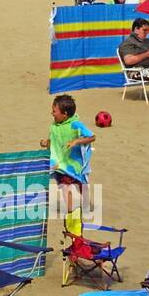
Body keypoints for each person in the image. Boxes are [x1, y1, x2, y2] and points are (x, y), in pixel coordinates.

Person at [38, 94, 94, 231]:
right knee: (65, 186)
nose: (52, 113)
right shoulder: (54, 126)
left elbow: (92, 137)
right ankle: (72, 211)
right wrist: (47, 143)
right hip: (58, 163)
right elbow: (55, 142)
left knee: (76, 185)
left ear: (65, 114)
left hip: (72, 164)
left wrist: (76, 141)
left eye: (54, 111)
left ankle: (74, 212)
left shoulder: (75, 124)